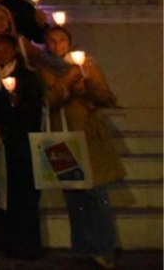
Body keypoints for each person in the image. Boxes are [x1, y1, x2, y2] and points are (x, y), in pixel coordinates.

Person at [38, 27, 125, 269]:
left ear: (70, 42)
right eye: (52, 42)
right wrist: (65, 87)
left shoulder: (86, 65)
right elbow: (46, 100)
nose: (57, 46)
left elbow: (107, 97)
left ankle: (105, 249)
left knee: (97, 196)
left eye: (61, 41)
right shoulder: (43, 70)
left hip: (89, 137)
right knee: (74, 196)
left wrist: (86, 89)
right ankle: (83, 247)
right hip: (63, 137)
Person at [0, 34, 43, 260]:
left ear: (14, 51)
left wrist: (16, 105)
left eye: (6, 48)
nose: (1, 53)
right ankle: (2, 242)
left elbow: (34, 109)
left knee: (23, 193)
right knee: (0, 195)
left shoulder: (27, 77)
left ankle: (27, 246)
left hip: (20, 142)